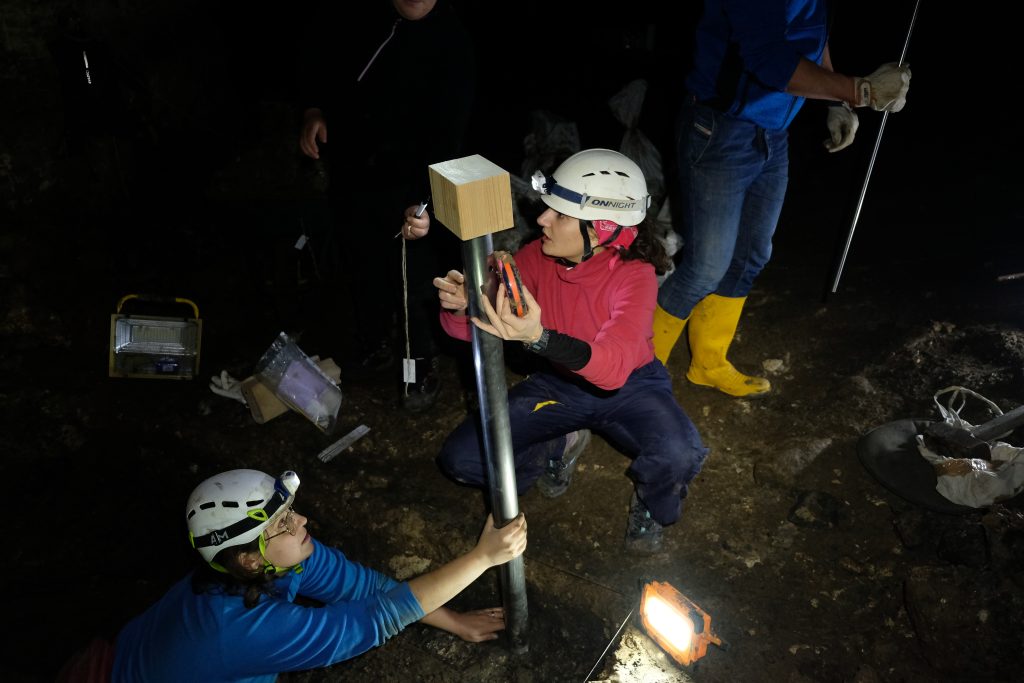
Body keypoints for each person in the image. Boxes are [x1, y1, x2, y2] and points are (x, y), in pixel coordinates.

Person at [431, 149, 709, 554]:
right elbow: (474, 331)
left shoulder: (635, 276)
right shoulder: (535, 257)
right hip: (559, 385)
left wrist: (540, 338)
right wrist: (465, 306)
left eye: (560, 215)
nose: (542, 219)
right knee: (462, 459)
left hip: (631, 388)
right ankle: (558, 445)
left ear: (600, 231)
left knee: (680, 453)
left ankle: (653, 504)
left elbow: (613, 370)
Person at [652, 0, 912, 397]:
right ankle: (635, 376)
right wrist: (858, 90)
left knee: (751, 255)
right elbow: (770, 61)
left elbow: (812, 35)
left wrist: (835, 100)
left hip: (772, 131)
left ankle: (708, 363)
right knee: (706, 267)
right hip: (720, 129)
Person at [110, 468, 526, 681]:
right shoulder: (245, 630)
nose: (302, 521)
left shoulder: (277, 560)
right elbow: (375, 619)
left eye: (289, 511)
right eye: (284, 522)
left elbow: (367, 589)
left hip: (138, 654)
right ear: (250, 560)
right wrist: (481, 558)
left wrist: (454, 621)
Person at [297, 0, 476, 412]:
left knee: (415, 273)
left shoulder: (453, 42)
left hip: (413, 181)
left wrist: (424, 198)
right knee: (361, 259)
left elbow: (451, 134)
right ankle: (374, 341)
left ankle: (421, 363)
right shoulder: (357, 18)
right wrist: (314, 109)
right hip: (355, 172)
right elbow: (320, 63)